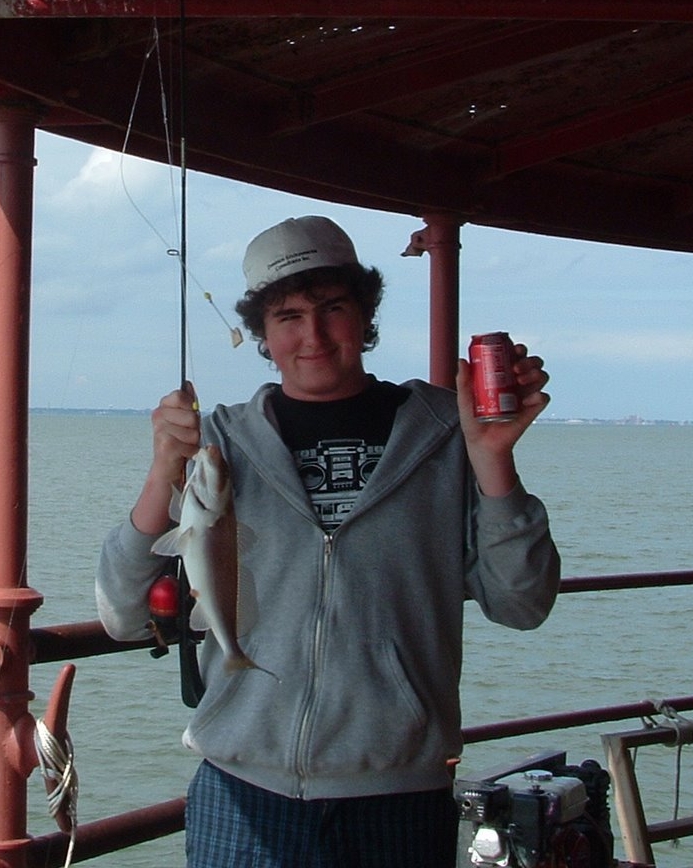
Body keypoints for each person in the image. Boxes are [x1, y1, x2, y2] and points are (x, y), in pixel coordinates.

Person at [96, 215, 561, 868]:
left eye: (331, 308)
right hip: (240, 790)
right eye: (287, 316)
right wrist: (159, 476)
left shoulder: (445, 435)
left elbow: (522, 604)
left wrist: (494, 463)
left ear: (363, 314)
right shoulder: (219, 446)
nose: (310, 335)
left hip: (398, 797)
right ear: (261, 333)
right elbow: (120, 613)